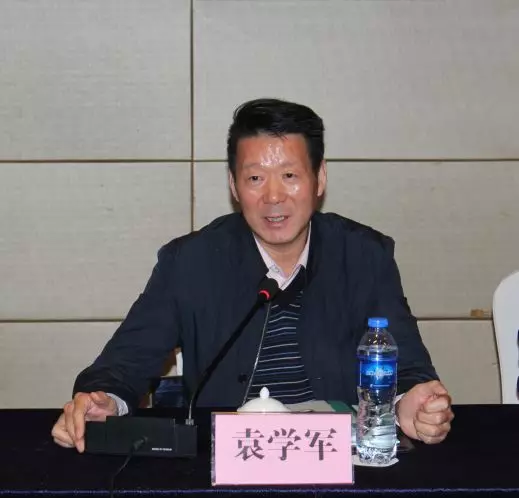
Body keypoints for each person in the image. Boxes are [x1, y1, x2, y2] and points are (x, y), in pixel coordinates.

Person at [51, 98, 454, 453]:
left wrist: (413, 401)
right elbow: (124, 362)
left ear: (319, 179)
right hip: (226, 465)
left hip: (337, 462)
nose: (273, 197)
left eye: (290, 176)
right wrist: (104, 399)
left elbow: (408, 364)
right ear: (234, 185)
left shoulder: (364, 255)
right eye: (255, 178)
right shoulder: (190, 262)